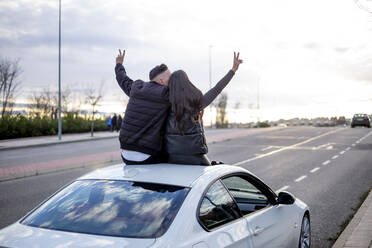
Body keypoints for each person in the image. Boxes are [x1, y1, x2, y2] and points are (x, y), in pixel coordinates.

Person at [165, 52, 243, 165]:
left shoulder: (164, 106)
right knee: (214, 173)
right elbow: (217, 89)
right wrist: (233, 70)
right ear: (187, 83)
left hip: (172, 158)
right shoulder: (195, 105)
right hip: (196, 158)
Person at [115, 49, 171, 165]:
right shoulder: (166, 93)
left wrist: (119, 64)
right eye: (169, 78)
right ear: (161, 81)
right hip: (147, 155)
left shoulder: (137, 87)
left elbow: (122, 79)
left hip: (125, 153)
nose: (172, 81)